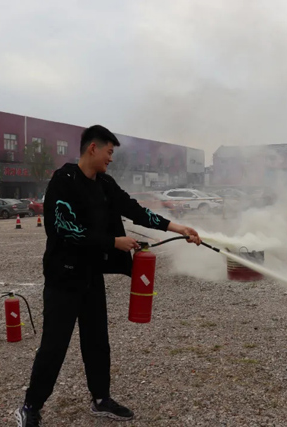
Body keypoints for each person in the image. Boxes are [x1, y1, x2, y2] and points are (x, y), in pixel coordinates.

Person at [16, 125, 201, 427]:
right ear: (93, 148)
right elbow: (63, 229)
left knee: (97, 341)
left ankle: (101, 398)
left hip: (91, 276)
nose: (111, 158)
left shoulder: (104, 184)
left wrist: (176, 227)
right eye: (109, 152)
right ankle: (31, 406)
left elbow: (134, 209)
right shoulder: (64, 181)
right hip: (63, 278)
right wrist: (113, 242)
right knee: (54, 345)